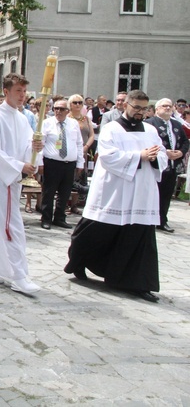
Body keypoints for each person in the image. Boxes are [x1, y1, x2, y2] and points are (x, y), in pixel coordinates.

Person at [64, 90, 167, 302]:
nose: (139, 112)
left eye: (143, 108)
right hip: (115, 191)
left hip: (141, 193)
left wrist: (156, 157)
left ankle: (136, 283)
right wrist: (140, 156)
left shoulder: (150, 129)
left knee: (139, 237)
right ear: (126, 105)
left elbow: (162, 154)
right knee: (96, 231)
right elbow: (109, 156)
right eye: (136, 107)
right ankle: (78, 262)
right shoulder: (112, 128)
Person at [0, 74, 43, 295]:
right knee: (10, 226)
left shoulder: (22, 118)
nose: (22, 96)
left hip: (14, 178)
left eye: (24, 92)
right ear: (6, 91)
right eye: (18, 91)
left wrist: (34, 150)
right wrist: (18, 166)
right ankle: (18, 275)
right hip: (1, 178)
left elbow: (26, 149)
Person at [39, 98, 84, 230]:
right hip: (52, 163)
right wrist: (39, 162)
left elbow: (79, 144)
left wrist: (80, 162)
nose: (58, 111)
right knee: (49, 192)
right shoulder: (47, 123)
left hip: (69, 163)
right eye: (56, 109)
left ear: (67, 111)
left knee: (65, 193)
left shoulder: (73, 124)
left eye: (61, 109)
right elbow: (40, 144)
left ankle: (59, 217)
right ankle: (46, 218)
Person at [146, 98, 189, 233]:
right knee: (153, 193)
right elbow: (147, 142)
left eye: (170, 106)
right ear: (157, 109)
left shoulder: (176, 124)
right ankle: (148, 220)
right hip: (156, 165)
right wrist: (164, 152)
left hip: (172, 166)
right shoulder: (149, 123)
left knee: (166, 194)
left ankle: (162, 221)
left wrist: (180, 152)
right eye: (164, 106)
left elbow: (185, 142)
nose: (168, 108)